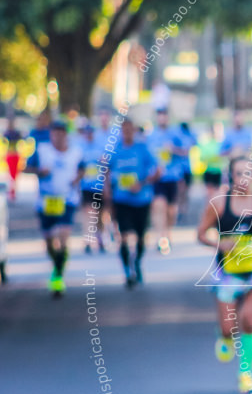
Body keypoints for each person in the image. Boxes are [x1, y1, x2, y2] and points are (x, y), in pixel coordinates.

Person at [198, 156, 252, 394]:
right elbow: (201, 234)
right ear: (230, 176)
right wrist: (220, 245)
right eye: (238, 173)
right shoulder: (220, 202)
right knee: (228, 327)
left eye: (248, 173)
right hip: (228, 272)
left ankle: (246, 374)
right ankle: (225, 337)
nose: (243, 178)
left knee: (250, 321)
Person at [26, 119, 83, 297]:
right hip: (46, 201)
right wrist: (39, 172)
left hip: (67, 199)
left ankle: (58, 276)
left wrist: (77, 179)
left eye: (61, 133)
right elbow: (26, 168)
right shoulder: (42, 151)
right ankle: (56, 267)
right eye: (54, 133)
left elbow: (83, 168)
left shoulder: (75, 152)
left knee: (63, 236)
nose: (58, 136)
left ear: (66, 134)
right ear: (51, 134)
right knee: (50, 240)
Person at [106, 119, 159, 288]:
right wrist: (107, 191)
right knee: (124, 236)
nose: (127, 132)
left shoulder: (142, 148)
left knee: (141, 237)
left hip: (141, 200)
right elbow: (105, 170)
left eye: (130, 129)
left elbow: (158, 170)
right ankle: (127, 270)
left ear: (134, 130)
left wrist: (142, 183)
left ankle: (137, 262)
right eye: (124, 129)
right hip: (121, 200)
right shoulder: (114, 150)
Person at [147, 109, 193, 254]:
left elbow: (186, 151)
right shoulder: (151, 136)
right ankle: (161, 238)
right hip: (157, 178)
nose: (162, 119)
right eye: (160, 116)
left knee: (171, 211)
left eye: (165, 116)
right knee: (158, 206)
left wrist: (174, 149)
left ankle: (168, 234)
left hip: (173, 177)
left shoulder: (176, 134)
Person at [76, 122, 109, 254]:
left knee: (100, 214)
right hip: (86, 186)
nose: (88, 135)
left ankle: (100, 238)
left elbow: (106, 166)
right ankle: (88, 240)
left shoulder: (100, 147)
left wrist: (106, 186)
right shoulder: (79, 148)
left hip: (99, 185)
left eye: (90, 132)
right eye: (86, 132)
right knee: (89, 212)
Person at [4, 116, 22, 201]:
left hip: (14, 155)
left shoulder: (14, 133)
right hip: (10, 155)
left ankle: (12, 192)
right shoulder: (7, 133)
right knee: (11, 175)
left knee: (14, 175)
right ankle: (11, 192)